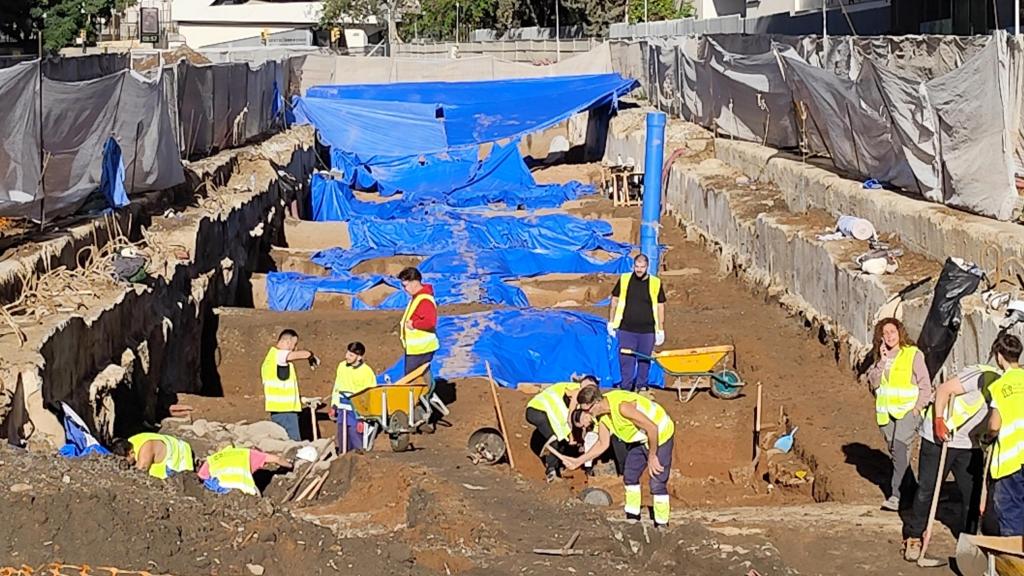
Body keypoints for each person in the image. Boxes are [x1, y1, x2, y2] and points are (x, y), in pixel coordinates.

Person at [901, 361, 1001, 561]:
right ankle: (914, 535)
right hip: (940, 437)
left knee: (972, 493)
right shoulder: (981, 377)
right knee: (927, 489)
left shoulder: (1011, 390)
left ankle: (970, 540)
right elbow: (944, 390)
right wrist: (939, 420)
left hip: (969, 444)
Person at [563, 387, 676, 527]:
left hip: (660, 435)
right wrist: (578, 461)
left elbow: (652, 428)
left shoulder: (622, 407)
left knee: (657, 482)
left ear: (597, 402)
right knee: (630, 475)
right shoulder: (602, 416)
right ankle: (632, 519)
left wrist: (652, 456)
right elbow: (602, 443)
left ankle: (662, 525)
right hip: (640, 439)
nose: (587, 414)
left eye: (588, 410)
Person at [867, 317, 930, 512]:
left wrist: (918, 408)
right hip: (887, 414)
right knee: (897, 453)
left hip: (908, 411)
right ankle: (914, 491)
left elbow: (924, 384)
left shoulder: (913, 354)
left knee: (900, 449)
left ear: (899, 332)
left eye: (892, 332)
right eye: (885, 333)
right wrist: (882, 363)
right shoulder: (881, 358)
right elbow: (874, 383)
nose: (889, 336)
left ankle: (896, 495)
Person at [608, 254, 666, 392]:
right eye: (637, 266)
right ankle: (626, 388)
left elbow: (660, 306)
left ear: (647, 267)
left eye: (642, 267)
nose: (639, 270)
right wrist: (611, 321)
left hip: (647, 330)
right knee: (626, 360)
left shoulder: (655, 283)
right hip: (627, 329)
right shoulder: (624, 279)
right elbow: (615, 300)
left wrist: (660, 329)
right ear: (633, 266)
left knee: (644, 360)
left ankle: (642, 386)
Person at [524, 375, 599, 482]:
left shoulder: (569, 391)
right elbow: (570, 414)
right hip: (538, 410)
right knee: (555, 439)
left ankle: (556, 467)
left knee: (560, 438)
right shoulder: (578, 391)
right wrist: (572, 434)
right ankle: (551, 472)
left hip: (537, 410)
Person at [986, 333, 1024, 536]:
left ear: (999, 356)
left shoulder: (1000, 386)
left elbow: (994, 424)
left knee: (1010, 508)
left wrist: (987, 437)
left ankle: (1014, 558)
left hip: (1012, 458)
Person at [262, 329, 318, 441]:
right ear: (287, 342)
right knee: (293, 444)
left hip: (279, 410)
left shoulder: (272, 359)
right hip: (285, 412)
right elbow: (299, 354)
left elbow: (282, 387)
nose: (294, 348)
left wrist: (301, 399)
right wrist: (310, 355)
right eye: (294, 344)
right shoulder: (277, 355)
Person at [331, 341, 376, 454]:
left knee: (356, 439)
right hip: (342, 409)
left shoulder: (366, 372)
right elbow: (337, 386)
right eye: (347, 353)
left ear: (359, 357)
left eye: (351, 355)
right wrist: (334, 405)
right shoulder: (342, 366)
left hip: (356, 412)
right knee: (342, 437)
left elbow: (369, 396)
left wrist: (362, 418)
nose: (347, 357)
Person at [198, 446, 293, 496]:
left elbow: (201, 476)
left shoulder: (213, 458)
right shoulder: (245, 453)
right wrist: (290, 465)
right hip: (245, 490)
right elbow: (276, 459)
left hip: (223, 489)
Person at [397, 267, 439, 378]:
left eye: (405, 286)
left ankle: (427, 395)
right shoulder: (417, 298)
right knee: (421, 379)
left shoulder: (424, 299)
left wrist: (414, 324)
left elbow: (430, 322)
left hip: (421, 350)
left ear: (414, 282)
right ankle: (429, 395)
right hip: (417, 349)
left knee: (413, 381)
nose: (405, 289)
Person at [109, 432, 195, 479]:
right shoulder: (130, 442)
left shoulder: (145, 450)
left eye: (125, 461)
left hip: (179, 454)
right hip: (168, 444)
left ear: (131, 453)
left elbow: (139, 475)